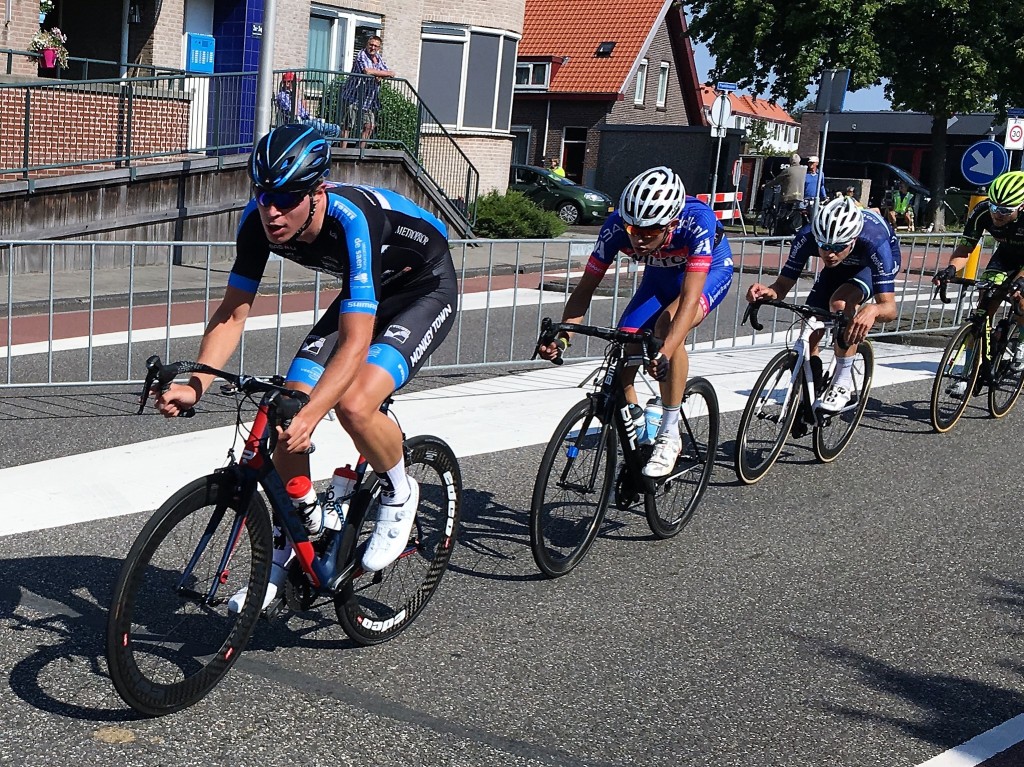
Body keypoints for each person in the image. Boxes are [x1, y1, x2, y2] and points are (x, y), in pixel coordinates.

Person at [148, 124, 458, 610]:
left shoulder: (353, 219)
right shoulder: (258, 221)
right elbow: (232, 312)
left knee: (354, 405)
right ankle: (303, 525)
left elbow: (355, 344)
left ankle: (400, 490)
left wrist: (315, 414)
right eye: (264, 195)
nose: (272, 211)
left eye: (287, 198)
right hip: (370, 291)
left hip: (424, 286)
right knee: (283, 407)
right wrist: (196, 384)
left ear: (317, 191)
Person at [536, 166, 734, 478]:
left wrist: (665, 352)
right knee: (627, 343)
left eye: (649, 233)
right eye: (633, 231)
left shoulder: (697, 221)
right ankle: (639, 429)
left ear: (670, 224)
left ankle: (670, 433)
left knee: (665, 329)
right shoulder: (617, 226)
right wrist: (563, 338)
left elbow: (690, 297)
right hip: (659, 278)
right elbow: (584, 289)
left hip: (709, 273)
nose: (639, 240)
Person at [746, 196, 901, 413]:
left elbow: (890, 309)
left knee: (839, 303)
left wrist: (873, 309)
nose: (829, 253)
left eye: (838, 246)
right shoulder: (808, 236)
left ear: (853, 239)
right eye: (824, 246)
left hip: (869, 265)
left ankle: (842, 383)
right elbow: (782, 285)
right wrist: (768, 292)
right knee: (810, 325)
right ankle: (812, 389)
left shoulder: (874, 241)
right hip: (839, 269)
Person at [933, 170, 1024, 388]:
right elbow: (966, 247)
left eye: (1004, 210)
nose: (997, 214)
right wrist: (950, 270)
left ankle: (1021, 343)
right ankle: (967, 373)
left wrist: (1020, 281)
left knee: (1021, 298)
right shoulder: (983, 211)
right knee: (984, 303)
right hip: (1004, 258)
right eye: (994, 207)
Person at [339, 35, 395, 149]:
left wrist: (380, 74)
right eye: (371, 44)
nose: (373, 47)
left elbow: (389, 72)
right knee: (348, 124)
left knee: (369, 125)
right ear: (367, 44)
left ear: (379, 48)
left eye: (376, 46)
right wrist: (382, 74)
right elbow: (367, 70)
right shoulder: (361, 55)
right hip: (354, 96)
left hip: (369, 100)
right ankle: (342, 150)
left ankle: (360, 151)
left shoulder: (378, 58)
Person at [275, 72, 341, 138]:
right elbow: (293, 114)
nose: (296, 85)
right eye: (294, 83)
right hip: (296, 122)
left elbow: (305, 111)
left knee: (335, 128)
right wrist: (295, 97)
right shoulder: (282, 96)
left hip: (306, 119)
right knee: (318, 126)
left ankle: (324, 146)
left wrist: (302, 98)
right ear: (287, 83)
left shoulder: (293, 94)